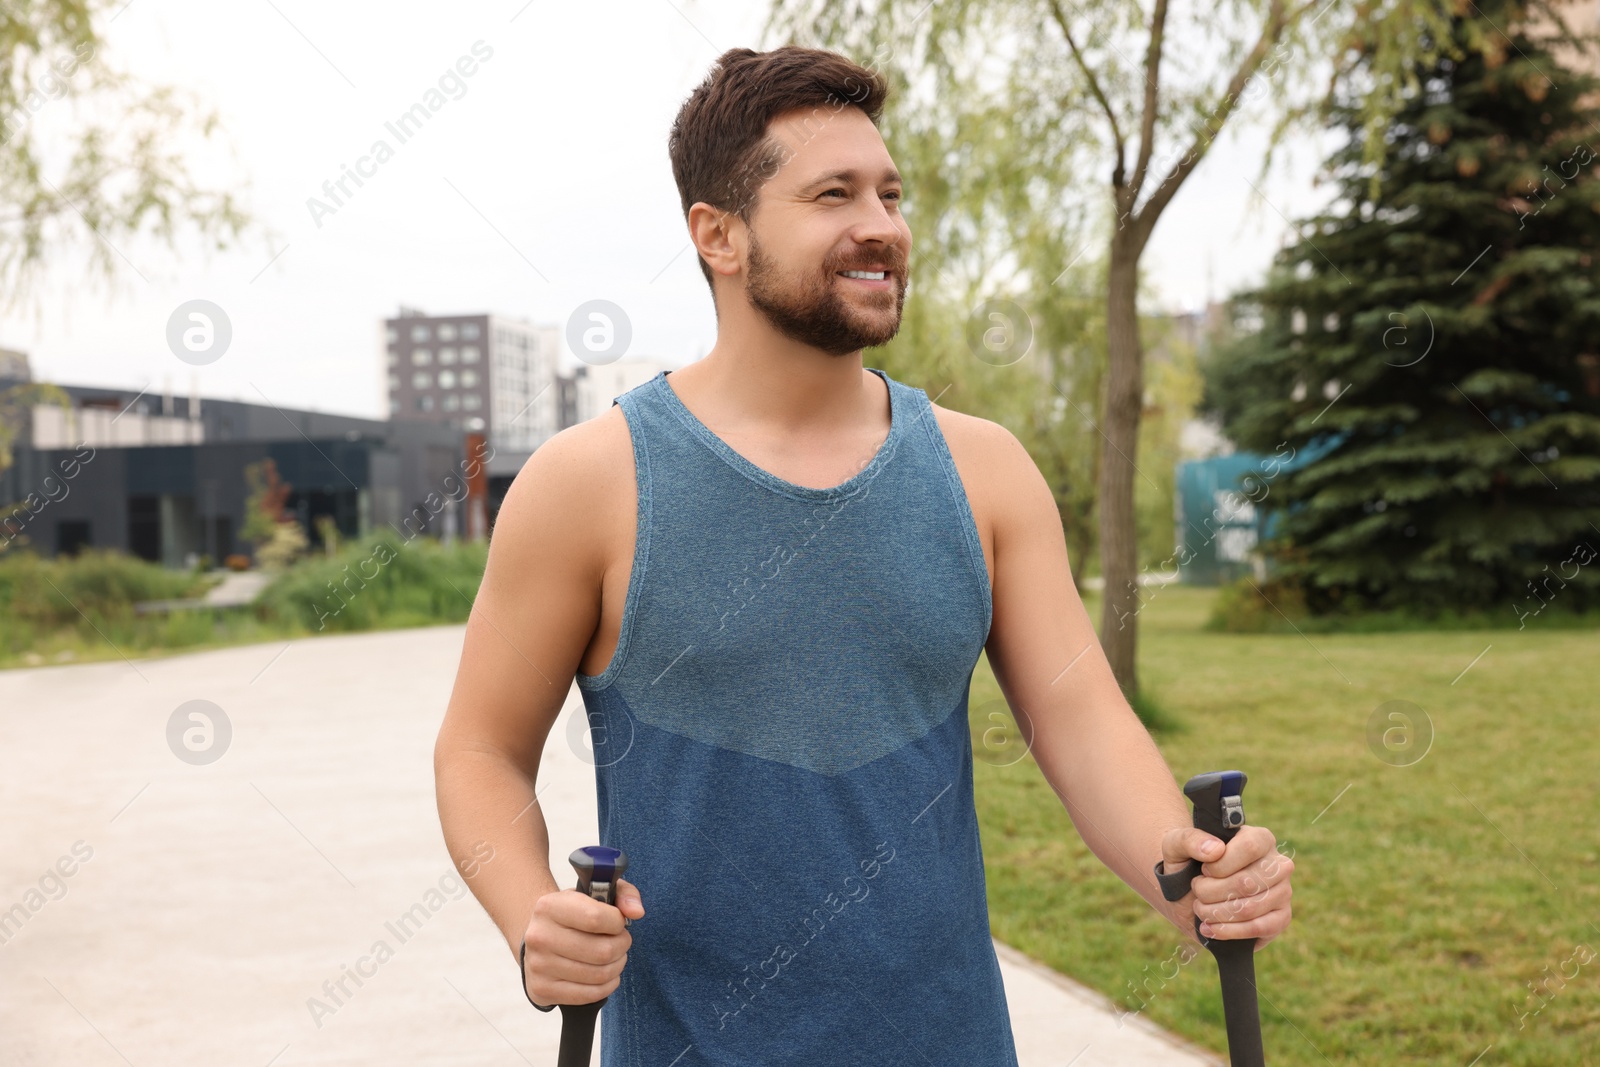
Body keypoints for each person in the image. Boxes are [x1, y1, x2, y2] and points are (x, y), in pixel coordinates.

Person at [433, 44, 1294, 1066]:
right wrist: (532, 911)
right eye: (833, 194)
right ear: (718, 235)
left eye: (889, 192)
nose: (881, 224)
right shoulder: (592, 482)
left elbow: (1079, 716)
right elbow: (479, 749)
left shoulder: (986, 474)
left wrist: (1187, 873)